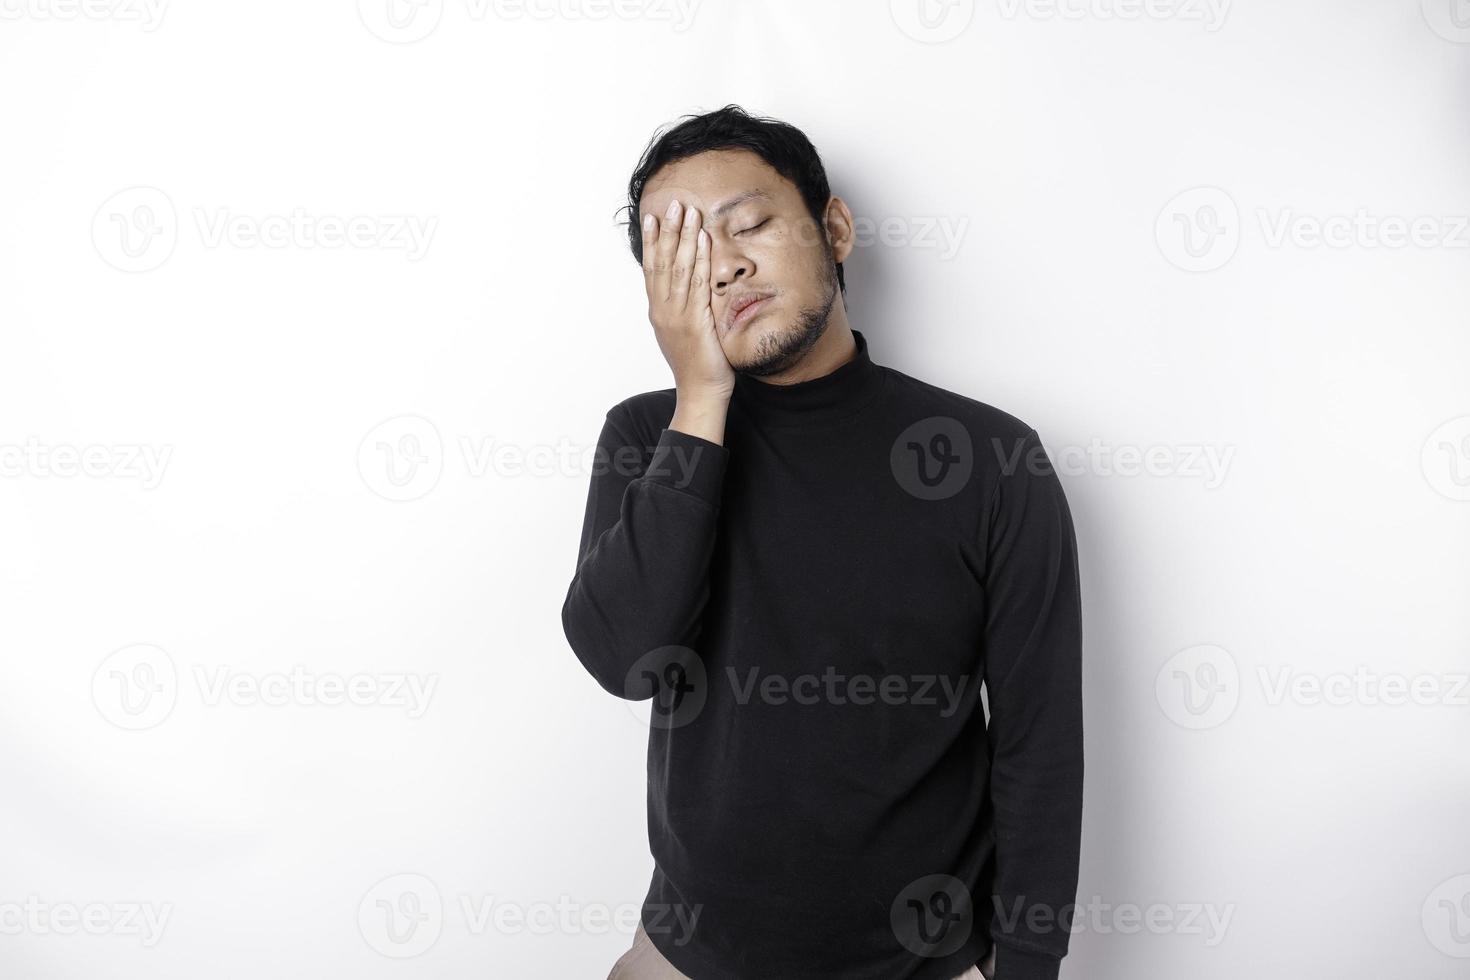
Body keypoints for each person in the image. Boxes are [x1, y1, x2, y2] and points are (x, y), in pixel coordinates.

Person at [561, 104, 1083, 980]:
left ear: (833, 226)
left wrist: (1026, 970)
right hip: (685, 959)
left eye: (749, 225)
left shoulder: (990, 460)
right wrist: (699, 402)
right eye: (681, 256)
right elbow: (626, 660)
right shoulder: (649, 438)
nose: (722, 267)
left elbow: (1039, 746)